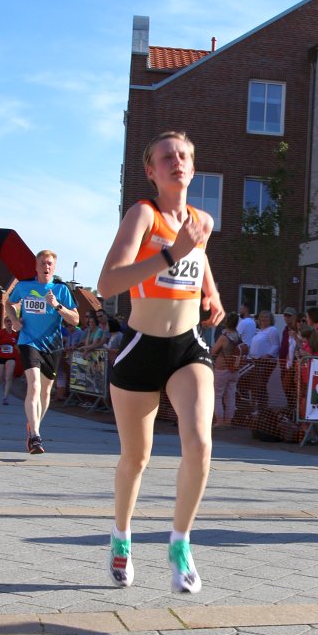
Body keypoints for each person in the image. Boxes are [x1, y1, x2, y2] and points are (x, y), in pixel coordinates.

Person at [96, 128, 224, 594]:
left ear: (193, 167)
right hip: (141, 348)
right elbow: (107, 283)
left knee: (200, 443)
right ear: (151, 171)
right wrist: (171, 254)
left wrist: (211, 292)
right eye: (167, 156)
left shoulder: (202, 221)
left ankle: (180, 543)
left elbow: (199, 257)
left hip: (187, 346)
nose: (177, 161)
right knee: (137, 458)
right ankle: (121, 536)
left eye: (184, 155)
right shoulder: (143, 215)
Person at [5, 251, 79, 454]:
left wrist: (57, 305)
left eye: (50, 264)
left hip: (52, 345)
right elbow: (8, 303)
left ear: (54, 267)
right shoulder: (24, 286)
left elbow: (75, 320)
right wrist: (14, 320)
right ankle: (35, 436)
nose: (46, 267)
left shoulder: (61, 289)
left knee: (46, 392)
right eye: (43, 263)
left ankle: (33, 425)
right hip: (28, 341)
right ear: (36, 266)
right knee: (35, 386)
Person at [211, 310, 245, 427]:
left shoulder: (223, 337)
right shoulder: (238, 336)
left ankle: (220, 421)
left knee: (218, 396)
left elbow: (213, 351)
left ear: (226, 321)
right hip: (234, 370)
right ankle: (228, 421)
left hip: (222, 369)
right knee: (230, 396)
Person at [0, 314, 18, 404]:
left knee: (9, 377)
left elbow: (17, 346)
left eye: (11, 321)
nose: (9, 323)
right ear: (4, 323)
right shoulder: (0, 333)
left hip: (11, 357)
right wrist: (0, 346)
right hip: (0, 356)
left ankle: (5, 397)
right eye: (7, 321)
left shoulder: (15, 334)